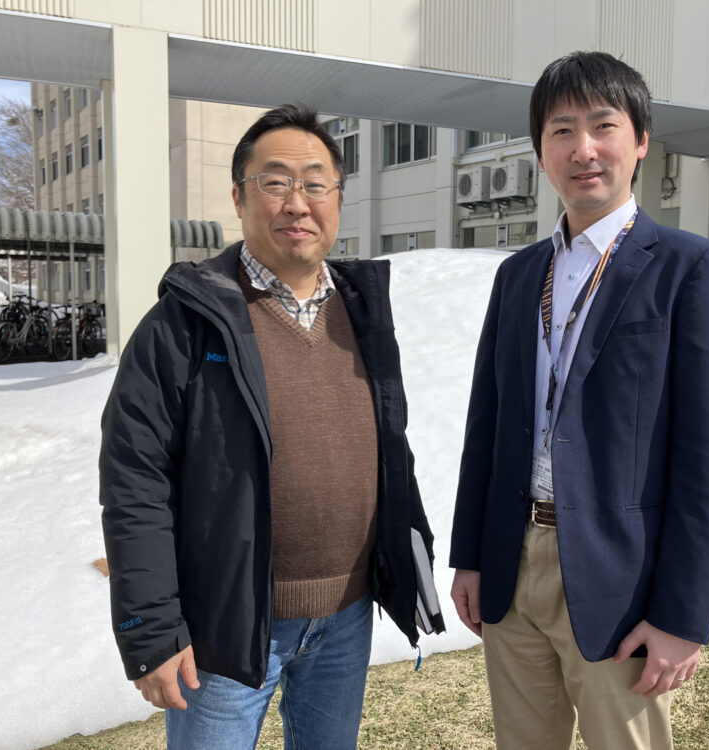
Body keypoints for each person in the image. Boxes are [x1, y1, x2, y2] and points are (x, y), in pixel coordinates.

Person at [99, 104, 439, 750]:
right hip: (224, 624)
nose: (297, 202)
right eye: (275, 181)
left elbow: (390, 447)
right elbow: (134, 482)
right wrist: (151, 630)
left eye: (316, 183)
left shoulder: (363, 312)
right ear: (238, 195)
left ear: (337, 198)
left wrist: (409, 555)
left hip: (346, 616)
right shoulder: (184, 323)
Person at [450, 51, 709, 750]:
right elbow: (487, 426)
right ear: (540, 151)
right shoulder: (520, 275)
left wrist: (683, 615)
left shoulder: (693, 271)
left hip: (621, 576)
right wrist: (472, 553)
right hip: (510, 561)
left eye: (602, 126)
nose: (582, 149)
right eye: (561, 131)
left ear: (640, 141)